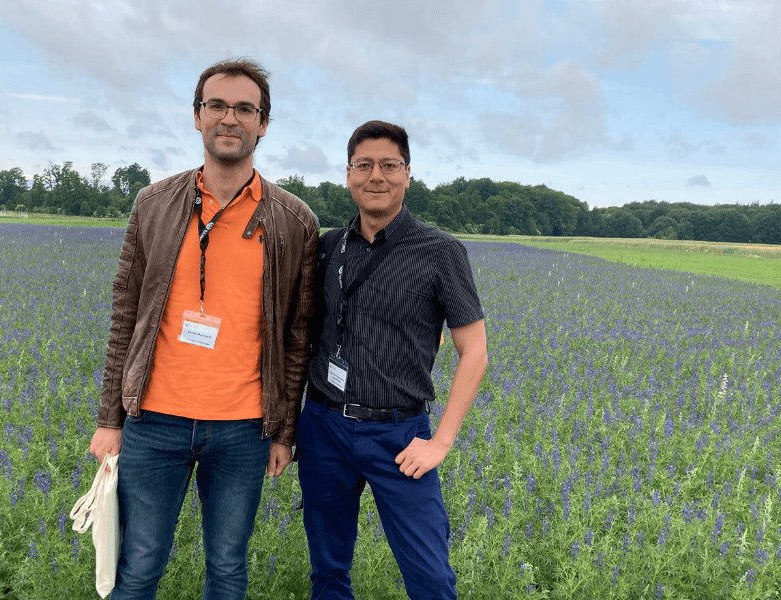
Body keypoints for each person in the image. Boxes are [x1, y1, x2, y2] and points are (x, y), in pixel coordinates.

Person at [88, 57, 319, 600]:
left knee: (228, 569)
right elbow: (126, 317)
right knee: (139, 565)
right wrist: (109, 418)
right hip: (155, 421)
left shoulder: (294, 220)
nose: (229, 118)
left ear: (264, 123)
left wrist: (284, 429)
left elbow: (298, 335)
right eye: (217, 105)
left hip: (243, 427)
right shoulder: (154, 204)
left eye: (245, 108)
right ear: (197, 117)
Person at [298, 121, 488, 599]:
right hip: (324, 427)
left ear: (408, 174)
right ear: (348, 175)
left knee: (429, 577)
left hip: (399, 435)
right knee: (328, 570)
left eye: (388, 165)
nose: (375, 176)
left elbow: (475, 352)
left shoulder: (440, 251)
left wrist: (440, 442)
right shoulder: (328, 246)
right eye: (364, 165)